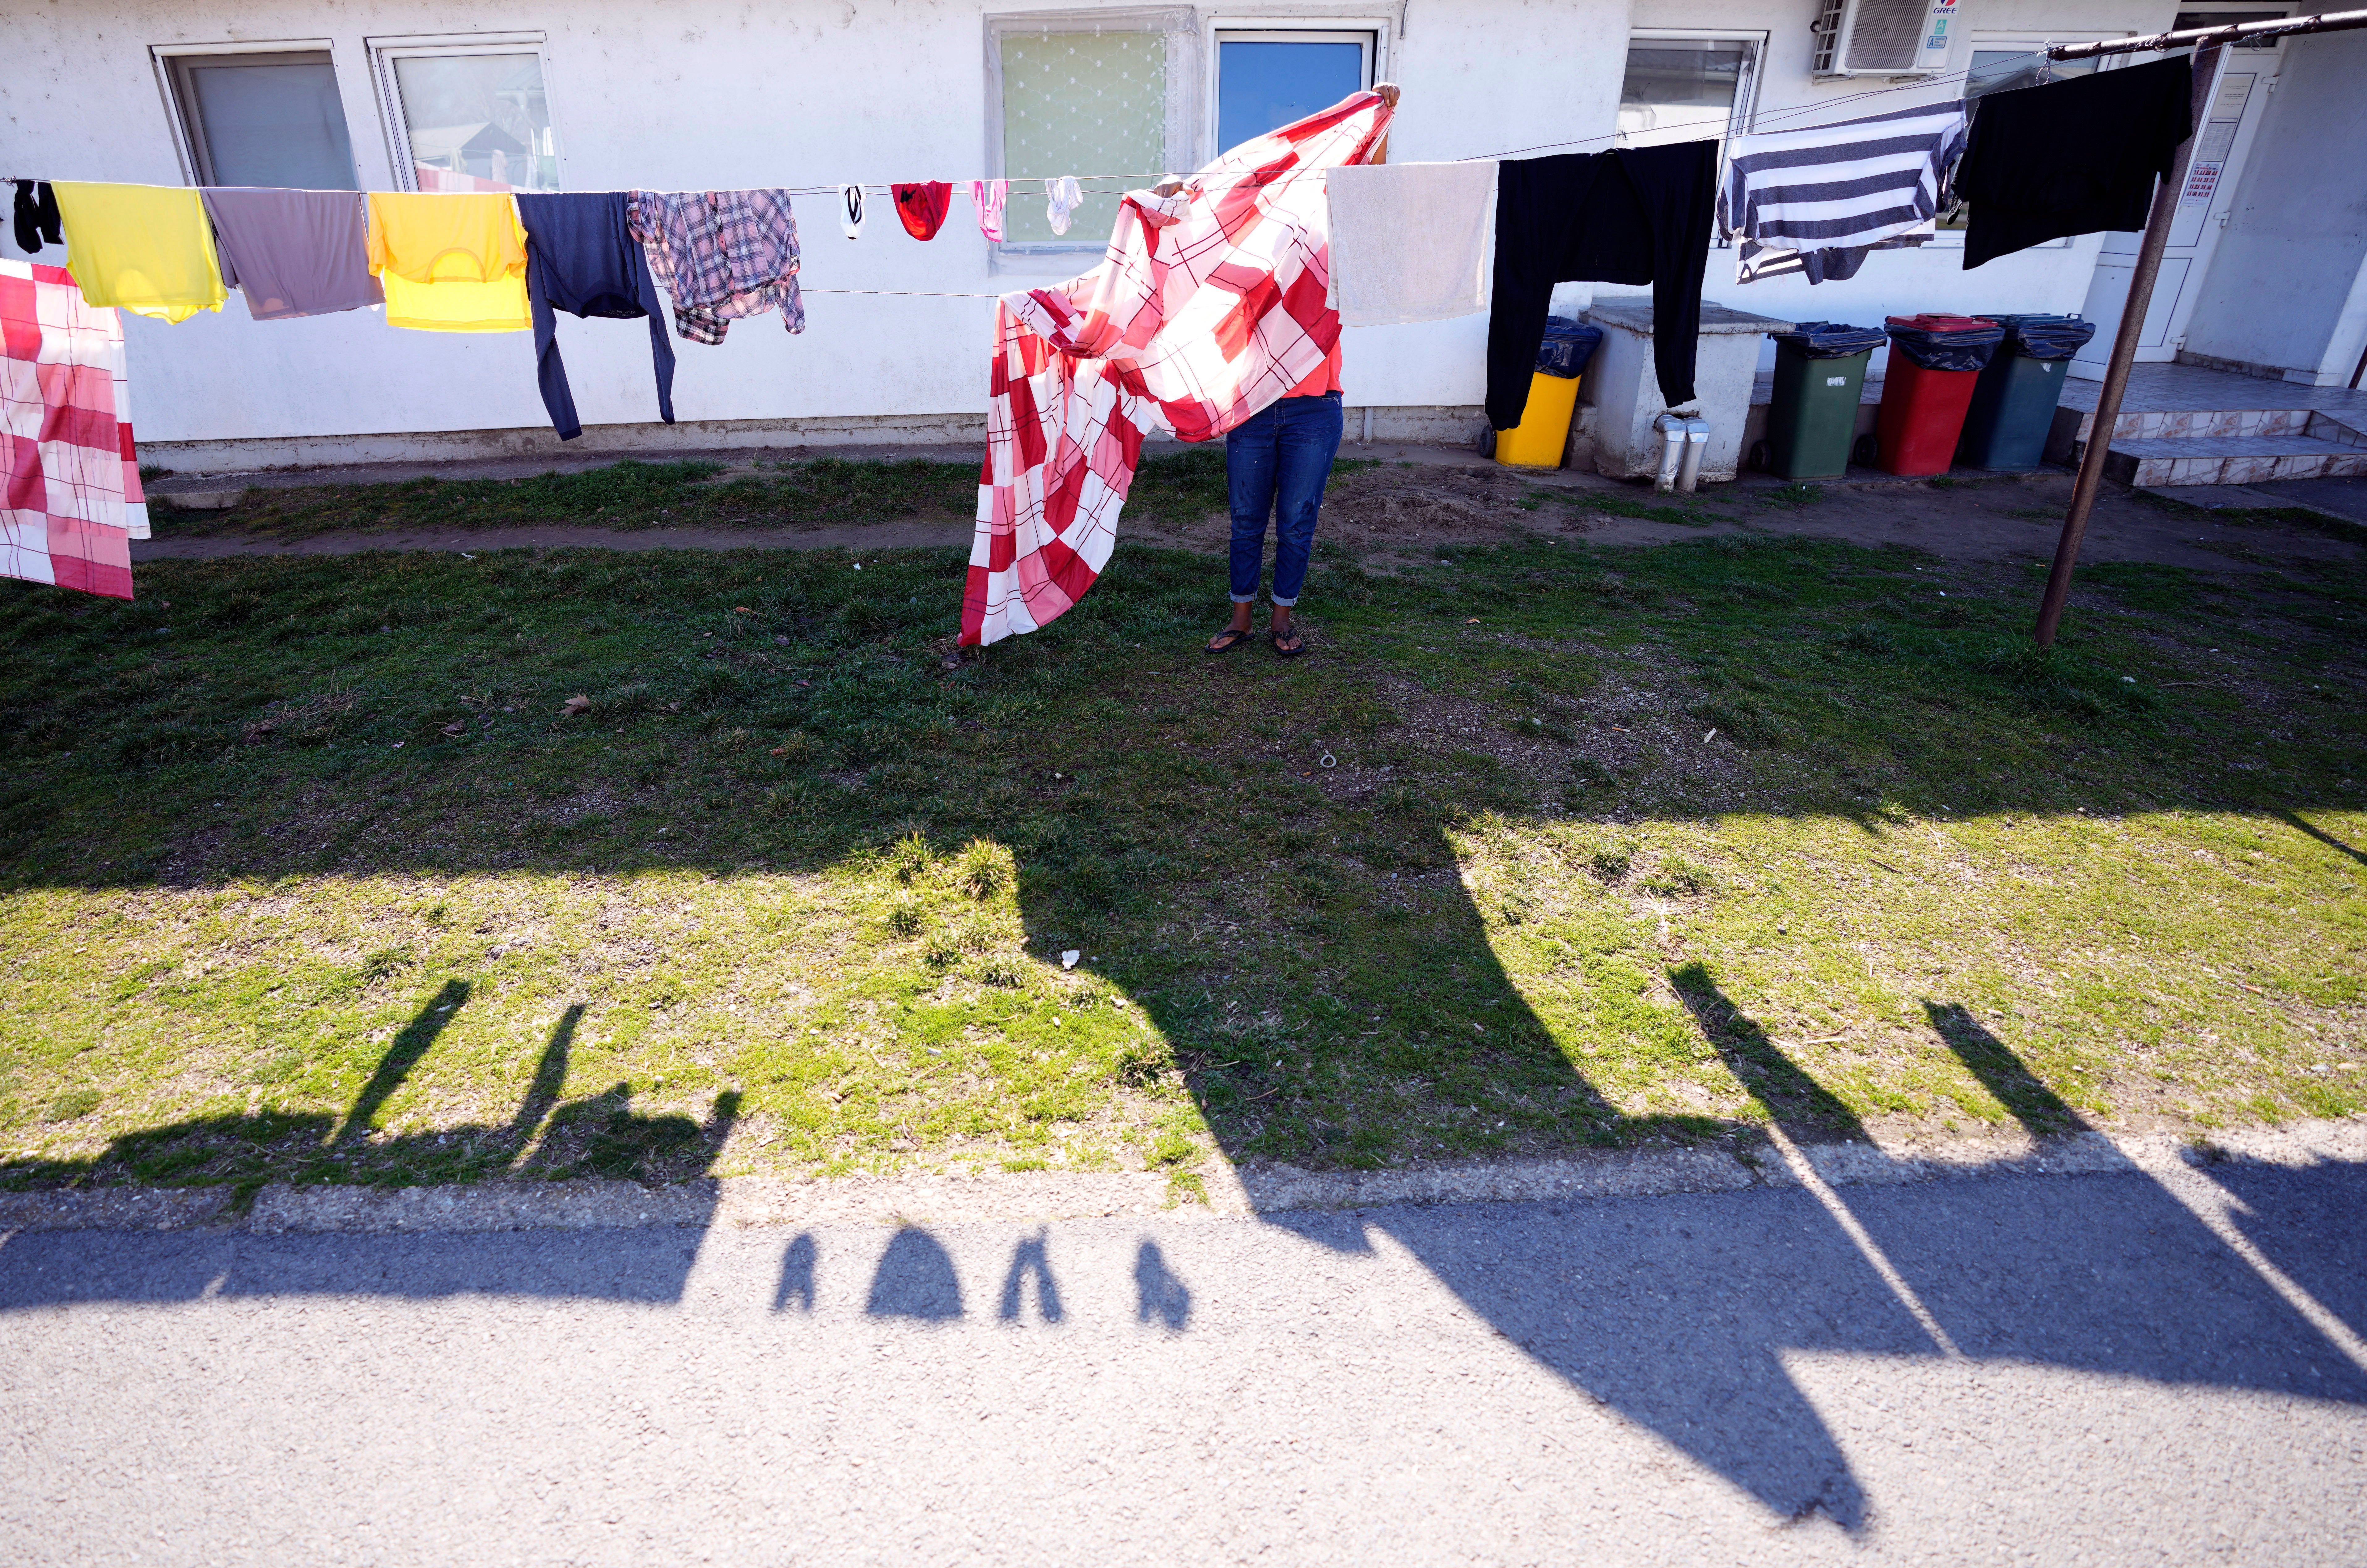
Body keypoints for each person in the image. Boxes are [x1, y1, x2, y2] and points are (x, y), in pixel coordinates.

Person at [1204, 81, 1399, 661]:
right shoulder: (1246, 259)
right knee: (1246, 520)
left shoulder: (1331, 253)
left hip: (1316, 410)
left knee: (1295, 520)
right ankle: (1240, 617)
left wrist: (1378, 123)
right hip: (1254, 406)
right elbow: (1196, 251)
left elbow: (1369, 196)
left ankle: (1280, 620)